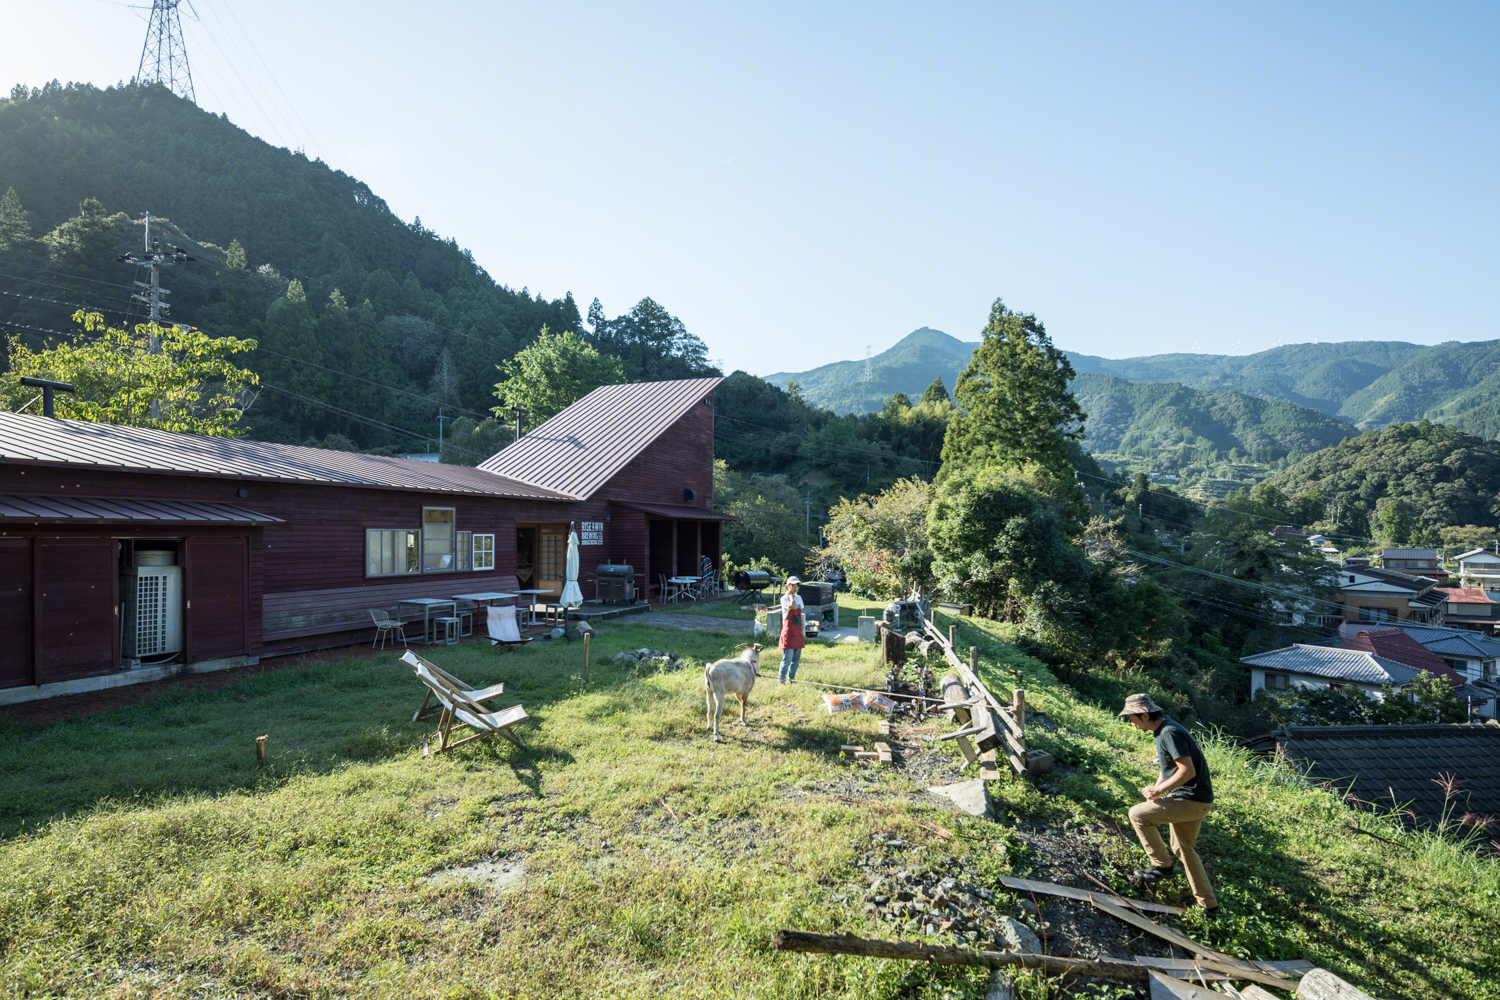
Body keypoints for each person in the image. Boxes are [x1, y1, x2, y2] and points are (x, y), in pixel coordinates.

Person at [1118, 693, 1219, 918]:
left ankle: (1161, 866)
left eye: (1132, 718)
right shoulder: (1164, 730)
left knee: (1137, 814)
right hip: (1197, 799)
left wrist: (1160, 790)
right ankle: (1209, 906)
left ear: (1145, 715)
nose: (1131, 723)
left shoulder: (1169, 733)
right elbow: (1170, 768)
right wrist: (1156, 789)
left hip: (1190, 800)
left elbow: (1187, 771)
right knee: (1183, 848)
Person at [777, 576, 806, 683]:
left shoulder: (800, 598)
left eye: (797, 585)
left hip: (798, 631)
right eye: (793, 585)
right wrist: (791, 596)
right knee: (787, 660)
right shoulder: (784, 598)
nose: (795, 588)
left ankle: (791, 679)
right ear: (787, 586)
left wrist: (793, 596)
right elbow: (793, 607)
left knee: (796, 661)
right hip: (788, 632)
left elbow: (799, 610)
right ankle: (781, 681)